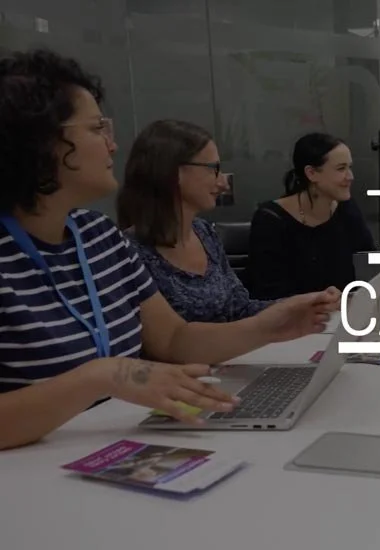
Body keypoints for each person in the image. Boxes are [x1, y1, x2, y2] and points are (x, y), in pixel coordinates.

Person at [0, 49, 339, 451]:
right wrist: (103, 375)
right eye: (96, 128)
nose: (112, 145)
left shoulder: (99, 237)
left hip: (108, 446)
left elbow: (174, 339)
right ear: (40, 141)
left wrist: (271, 325)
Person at [116, 119, 294, 323]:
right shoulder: (129, 252)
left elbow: (240, 308)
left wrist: (299, 305)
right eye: (213, 169)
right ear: (173, 171)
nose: (223, 183)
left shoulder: (204, 232)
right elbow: (162, 338)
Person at [248, 133, 376, 300]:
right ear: (312, 173)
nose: (350, 176)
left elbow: (369, 268)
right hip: (294, 314)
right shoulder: (270, 219)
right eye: (341, 168)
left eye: (349, 167)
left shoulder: (347, 209)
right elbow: (268, 292)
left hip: (344, 311)